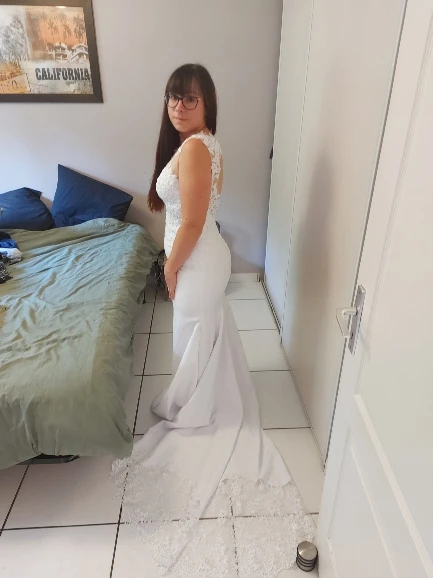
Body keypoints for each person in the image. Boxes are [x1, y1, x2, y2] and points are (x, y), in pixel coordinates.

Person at [112, 64, 314, 578]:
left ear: (207, 105)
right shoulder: (199, 143)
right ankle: (201, 396)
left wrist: (169, 267)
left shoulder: (198, 148)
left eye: (190, 99)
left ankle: (199, 409)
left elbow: (194, 222)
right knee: (200, 334)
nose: (179, 107)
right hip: (201, 257)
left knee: (193, 335)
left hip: (197, 259)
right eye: (173, 98)